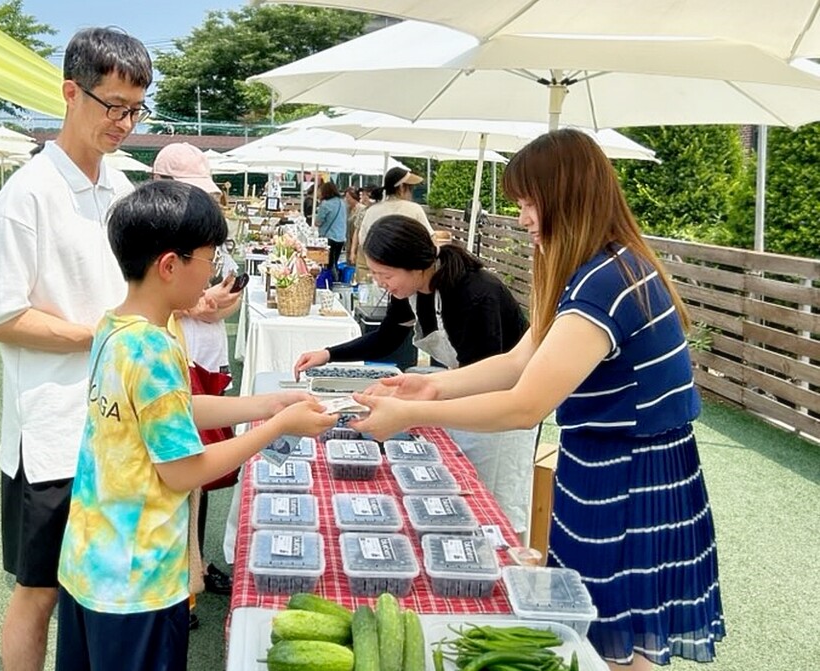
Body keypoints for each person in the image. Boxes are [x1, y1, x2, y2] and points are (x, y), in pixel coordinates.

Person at [353, 129, 725, 671]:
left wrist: (412, 412)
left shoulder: (606, 281)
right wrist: (432, 386)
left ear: (566, 198)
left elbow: (526, 404)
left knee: (615, 632)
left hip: (630, 473)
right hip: (600, 463)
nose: (524, 217)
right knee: (611, 628)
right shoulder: (592, 269)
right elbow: (517, 360)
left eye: (529, 203)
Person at [55, 179, 335, 671]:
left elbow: (174, 411)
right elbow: (184, 471)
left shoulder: (116, 328)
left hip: (90, 562)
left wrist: (267, 405)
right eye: (208, 260)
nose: (212, 275)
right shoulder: (156, 347)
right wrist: (275, 428)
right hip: (140, 578)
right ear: (170, 265)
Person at [0, 27, 154, 671]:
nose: (124, 122)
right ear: (70, 93)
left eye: (136, 108)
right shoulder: (26, 197)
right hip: (50, 431)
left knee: (94, 580)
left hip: (112, 422)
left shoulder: (121, 187)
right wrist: (99, 336)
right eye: (113, 106)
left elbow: (129, 287)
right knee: (39, 589)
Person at [294, 214, 535, 532]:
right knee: (458, 493)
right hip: (457, 390)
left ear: (415, 264)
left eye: (386, 274)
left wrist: (417, 401)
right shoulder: (410, 290)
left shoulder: (475, 293)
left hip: (501, 407)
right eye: (377, 273)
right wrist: (328, 354)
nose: (380, 282)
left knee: (493, 504)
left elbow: (482, 374)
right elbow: (387, 338)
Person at [151, 142, 244, 615]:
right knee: (179, 469)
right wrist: (197, 303)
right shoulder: (150, 236)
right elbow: (154, 298)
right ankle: (180, 580)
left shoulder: (199, 233)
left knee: (198, 471)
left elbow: (203, 298)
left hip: (202, 356)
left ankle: (195, 567)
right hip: (176, 359)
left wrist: (216, 301)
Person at [353, 167, 432, 283]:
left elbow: (363, 240)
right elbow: (430, 239)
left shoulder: (372, 210)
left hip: (377, 273)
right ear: (401, 188)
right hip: (405, 275)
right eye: (410, 188)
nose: (411, 193)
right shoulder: (414, 209)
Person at [314, 181, 347, 276]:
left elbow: (318, 222)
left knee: (327, 263)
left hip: (328, 237)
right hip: (341, 237)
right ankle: (335, 278)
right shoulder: (342, 202)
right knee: (335, 262)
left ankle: (328, 280)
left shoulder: (325, 204)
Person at [344, 186, 366, 268]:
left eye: (348, 197)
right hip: (349, 240)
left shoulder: (361, 209)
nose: (346, 200)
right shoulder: (348, 209)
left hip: (357, 242)